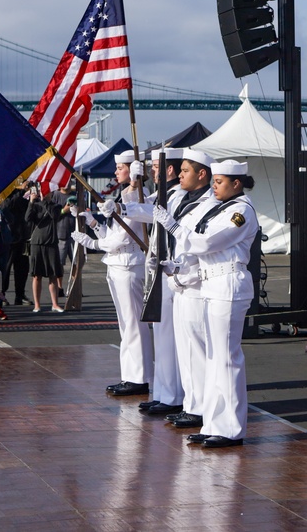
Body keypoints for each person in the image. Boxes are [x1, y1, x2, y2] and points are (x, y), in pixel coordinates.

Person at [161, 159, 258, 449]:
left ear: (236, 183)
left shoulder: (241, 211)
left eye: (219, 182)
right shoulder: (222, 208)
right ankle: (215, 423)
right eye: (213, 181)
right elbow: (201, 246)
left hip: (228, 286)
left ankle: (231, 428)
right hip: (212, 285)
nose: (214, 186)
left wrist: (175, 228)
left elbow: (207, 244)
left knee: (227, 360)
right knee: (215, 360)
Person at [118, 147, 187, 416]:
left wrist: (126, 206)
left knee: (169, 336)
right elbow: (145, 207)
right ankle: (163, 392)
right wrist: (126, 200)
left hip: (172, 270)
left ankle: (172, 396)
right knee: (161, 334)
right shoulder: (165, 194)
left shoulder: (177, 195)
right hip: (158, 268)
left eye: (156, 169)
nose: (153, 173)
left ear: (168, 170)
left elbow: (149, 211)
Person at [152, 148, 216, 430]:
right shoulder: (182, 197)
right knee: (185, 350)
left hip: (196, 282)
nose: (180, 174)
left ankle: (200, 408)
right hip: (178, 280)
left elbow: (202, 242)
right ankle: (191, 404)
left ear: (202, 174)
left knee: (198, 352)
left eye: (186, 170)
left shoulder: (210, 203)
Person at [80, 150, 152, 397]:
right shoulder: (123, 196)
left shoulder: (135, 198)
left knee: (133, 324)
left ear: (132, 170)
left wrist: (93, 244)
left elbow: (120, 238)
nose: (115, 171)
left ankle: (139, 378)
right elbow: (112, 236)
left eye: (120, 167)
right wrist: (94, 224)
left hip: (129, 265)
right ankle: (130, 375)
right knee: (126, 324)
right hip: (118, 265)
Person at [25, 184, 66, 312]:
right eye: (43, 191)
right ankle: (37, 304)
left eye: (47, 192)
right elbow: (27, 218)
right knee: (37, 275)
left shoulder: (55, 206)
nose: (44, 193)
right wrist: (31, 202)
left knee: (53, 274)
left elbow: (55, 216)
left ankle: (55, 304)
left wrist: (46, 201)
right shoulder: (35, 206)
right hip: (37, 242)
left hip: (51, 242)